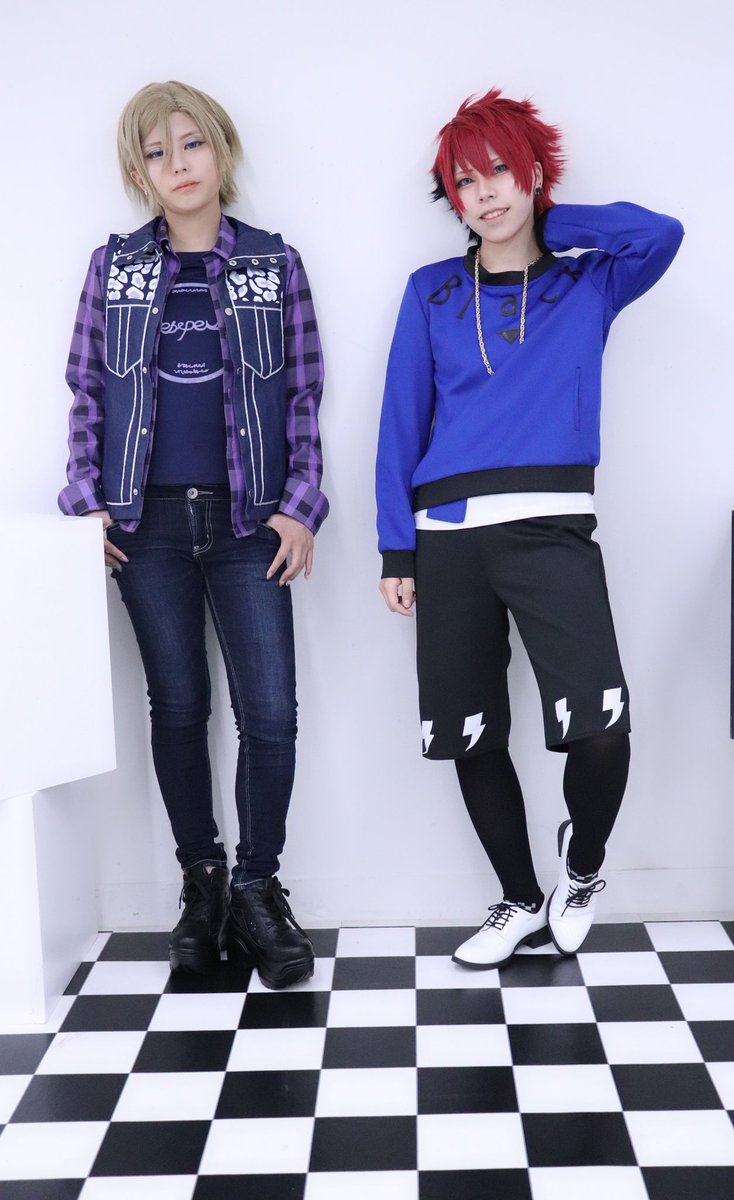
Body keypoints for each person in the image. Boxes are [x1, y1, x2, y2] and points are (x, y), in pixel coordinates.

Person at [376, 89, 682, 965]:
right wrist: (397, 547)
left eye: (500, 171)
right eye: (464, 181)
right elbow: (400, 423)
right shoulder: (430, 292)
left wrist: (549, 216)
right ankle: (516, 900)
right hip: (447, 536)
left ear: (534, 172)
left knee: (601, 728)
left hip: (551, 530)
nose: (484, 193)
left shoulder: (589, 281)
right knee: (467, 732)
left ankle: (579, 868)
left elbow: (659, 233)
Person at [58, 81, 328, 990]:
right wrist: (86, 499)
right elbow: (87, 392)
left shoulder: (272, 265)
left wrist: (300, 504)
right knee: (177, 707)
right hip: (148, 526)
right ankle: (201, 883)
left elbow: (303, 394)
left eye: (192, 144)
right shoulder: (116, 269)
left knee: (271, 714)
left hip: (252, 522)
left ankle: (256, 888)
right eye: (156, 152)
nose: (177, 164)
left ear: (222, 150)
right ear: (138, 174)